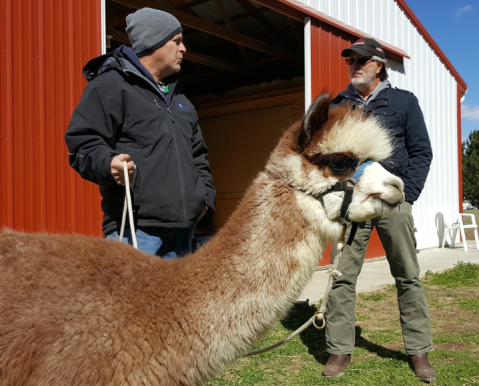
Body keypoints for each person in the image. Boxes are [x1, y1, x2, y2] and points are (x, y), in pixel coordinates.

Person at [322, 38, 435, 383]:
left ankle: (419, 352)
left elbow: (421, 152)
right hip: (353, 204)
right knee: (342, 277)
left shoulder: (403, 101)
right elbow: (327, 153)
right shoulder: (338, 105)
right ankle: (339, 350)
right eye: (350, 60)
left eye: (362, 60)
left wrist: (408, 196)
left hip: (392, 203)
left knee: (408, 277)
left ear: (379, 65)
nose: (355, 65)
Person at [65, 8, 216, 258]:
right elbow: (83, 144)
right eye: (176, 41)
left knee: (177, 299)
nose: (184, 49)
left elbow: (199, 155)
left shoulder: (182, 102)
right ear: (152, 43)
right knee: (129, 299)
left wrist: (204, 199)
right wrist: (109, 163)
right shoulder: (110, 87)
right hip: (136, 233)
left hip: (183, 233)